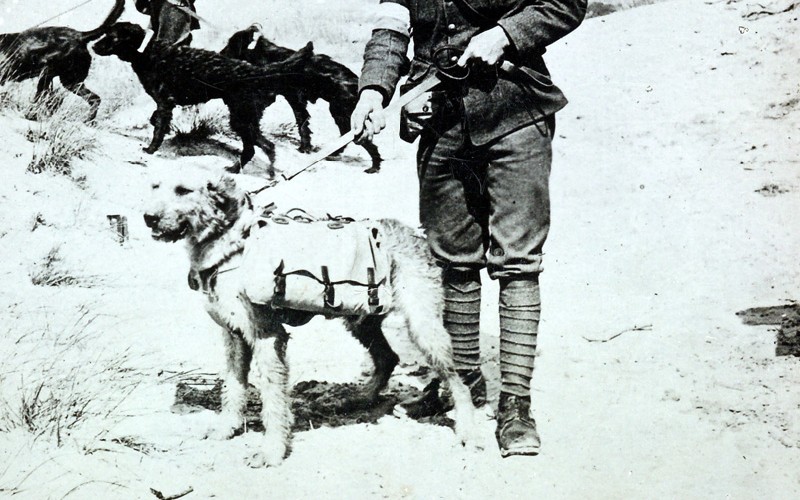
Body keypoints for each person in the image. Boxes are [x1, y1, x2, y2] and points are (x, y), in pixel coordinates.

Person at [351, 0, 586, 457]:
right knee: (452, 260)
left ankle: (516, 405)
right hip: (439, 122)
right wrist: (373, 92)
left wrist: (506, 34)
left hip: (515, 113)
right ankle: (463, 381)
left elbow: (567, 4)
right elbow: (392, 28)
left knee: (517, 262)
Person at [134, 0, 200, 45]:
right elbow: (142, 5)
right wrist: (142, 5)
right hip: (160, 9)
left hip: (176, 10)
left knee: (170, 49)